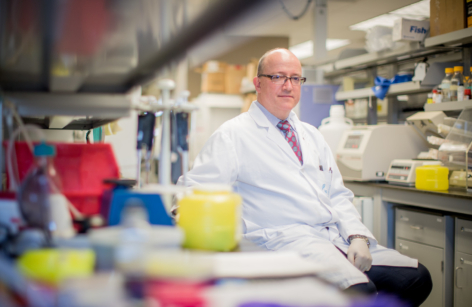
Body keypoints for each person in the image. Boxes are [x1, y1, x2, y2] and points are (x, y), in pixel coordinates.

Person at [177, 48, 432, 306]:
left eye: (295, 78)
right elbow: (195, 188)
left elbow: (337, 194)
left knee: (417, 278)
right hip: (284, 241)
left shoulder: (312, 134)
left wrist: (357, 236)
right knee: (360, 293)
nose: (288, 85)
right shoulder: (233, 134)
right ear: (258, 83)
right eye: (278, 77)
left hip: (334, 237)